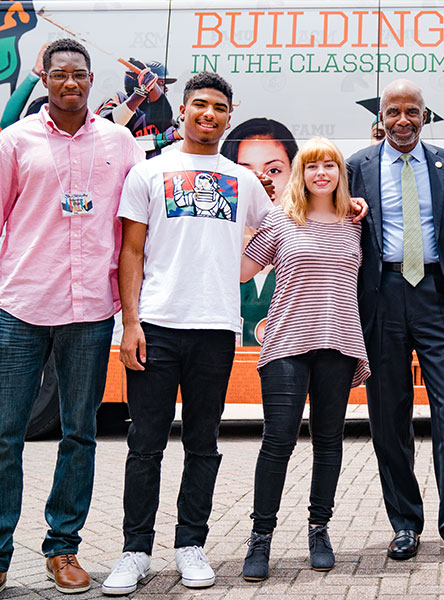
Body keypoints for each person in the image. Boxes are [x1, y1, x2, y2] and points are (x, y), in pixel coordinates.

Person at [101, 72, 273, 596]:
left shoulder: (241, 180)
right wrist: (129, 323)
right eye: (200, 105)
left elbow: (275, 229)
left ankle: (190, 545)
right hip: (157, 325)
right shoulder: (149, 172)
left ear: (229, 113)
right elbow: (131, 251)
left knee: (203, 443)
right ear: (182, 110)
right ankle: (134, 551)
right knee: (144, 444)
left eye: (220, 107)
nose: (210, 115)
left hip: (217, 329)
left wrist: (241, 269)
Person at [0, 38, 144, 595]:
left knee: (79, 432)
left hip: (89, 309)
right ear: (45, 78)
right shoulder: (15, 141)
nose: (70, 83)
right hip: (21, 303)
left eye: (79, 74)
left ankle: (63, 549)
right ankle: (0, 552)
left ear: (90, 78)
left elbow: (137, 225)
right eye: (59, 74)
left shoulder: (119, 142)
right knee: (6, 433)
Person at [346, 79, 444, 572]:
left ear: (426, 116)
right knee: (388, 414)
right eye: (393, 111)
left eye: (413, 111)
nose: (403, 120)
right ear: (382, 117)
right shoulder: (357, 165)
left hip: (434, 295)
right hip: (380, 295)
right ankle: (404, 523)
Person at [238, 137, 370, 581]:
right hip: (286, 344)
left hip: (338, 342)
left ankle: (320, 530)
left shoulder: (355, 222)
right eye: (311, 165)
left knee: (329, 441)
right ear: (301, 173)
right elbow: (242, 270)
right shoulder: (281, 220)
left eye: (329, 165)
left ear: (339, 173)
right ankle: (261, 537)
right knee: (278, 441)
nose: (321, 173)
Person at [220, 117, 298, 345]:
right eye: (245, 171)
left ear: (295, 175)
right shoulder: (215, 251)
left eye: (274, 170)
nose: (261, 180)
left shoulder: (308, 251)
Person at [96, 59, 180, 156]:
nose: (166, 88)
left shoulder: (161, 114)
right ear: (138, 82)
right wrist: (141, 93)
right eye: (160, 83)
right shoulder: (119, 99)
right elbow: (104, 129)